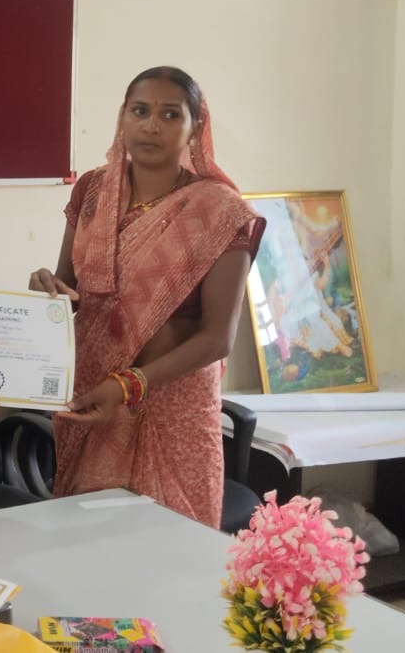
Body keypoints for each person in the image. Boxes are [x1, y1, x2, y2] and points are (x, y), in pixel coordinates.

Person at [29, 66, 265, 527]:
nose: (151, 126)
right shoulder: (92, 191)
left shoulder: (219, 211)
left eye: (170, 114)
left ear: (196, 127)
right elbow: (72, 292)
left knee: (170, 549)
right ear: (122, 117)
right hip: (94, 400)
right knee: (87, 543)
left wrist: (127, 386)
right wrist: (48, 289)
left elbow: (218, 337)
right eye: (139, 111)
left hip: (171, 411)